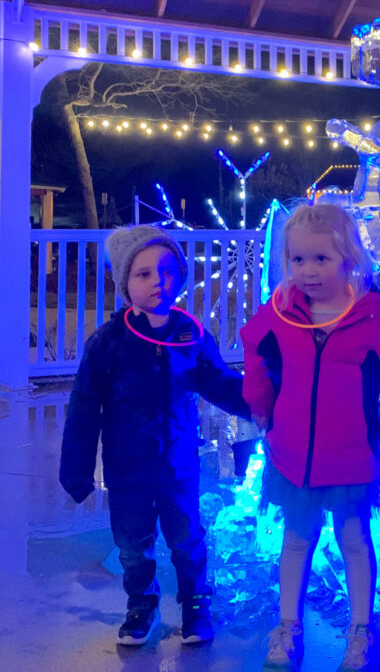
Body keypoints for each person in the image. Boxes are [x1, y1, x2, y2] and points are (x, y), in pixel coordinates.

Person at [240, 203, 380, 672]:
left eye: (320, 259)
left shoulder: (374, 317)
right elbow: (255, 350)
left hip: (351, 454)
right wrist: (259, 400)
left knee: (355, 540)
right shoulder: (281, 311)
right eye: (297, 260)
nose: (307, 271)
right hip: (293, 455)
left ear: (349, 259)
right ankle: (287, 631)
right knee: (296, 540)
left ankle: (361, 633)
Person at [60, 226, 250, 647]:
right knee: (132, 542)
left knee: (187, 537)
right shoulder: (108, 343)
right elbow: (84, 408)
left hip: (179, 464)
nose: (157, 282)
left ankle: (195, 603)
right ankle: (141, 604)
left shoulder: (191, 334)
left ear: (180, 276)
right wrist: (75, 471)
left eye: (166, 271)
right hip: (127, 468)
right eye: (143, 274)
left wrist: (261, 402)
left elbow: (218, 382)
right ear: (125, 283)